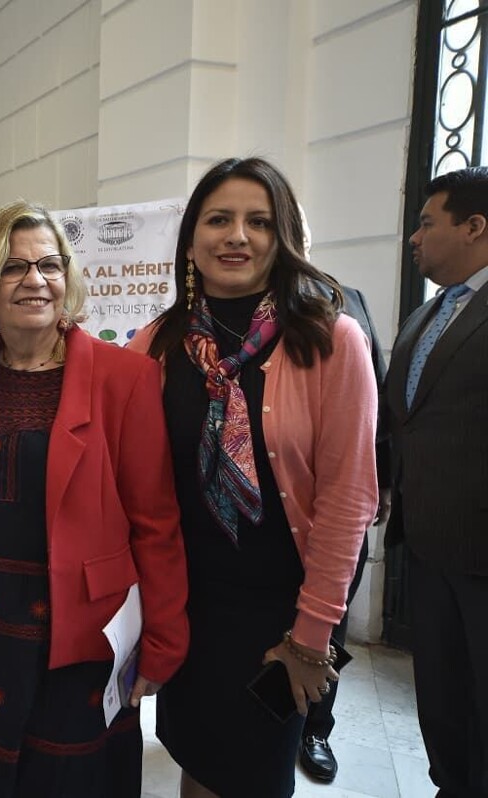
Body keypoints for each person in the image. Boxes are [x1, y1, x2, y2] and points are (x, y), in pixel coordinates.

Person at [128, 157, 379, 798]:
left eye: (258, 221)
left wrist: (311, 636)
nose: (236, 235)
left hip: (282, 617)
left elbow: (348, 499)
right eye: (218, 219)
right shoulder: (154, 346)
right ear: (191, 240)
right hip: (188, 608)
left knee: (253, 777)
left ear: (283, 236)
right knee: (197, 759)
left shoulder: (331, 340)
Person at [0, 199, 189, 798]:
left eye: (49, 265)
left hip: (78, 633)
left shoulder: (126, 379)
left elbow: (156, 522)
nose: (35, 281)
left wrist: (163, 641)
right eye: (14, 268)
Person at [384, 166, 488, 797]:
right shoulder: (428, 315)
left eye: (427, 222)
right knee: (443, 700)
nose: (414, 238)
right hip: (426, 547)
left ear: (474, 226)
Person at [297, 280, 392, 783]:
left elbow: (382, 402)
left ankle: (316, 729)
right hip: (272, 518)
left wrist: (385, 484)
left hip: (340, 504)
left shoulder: (346, 303)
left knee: (327, 625)